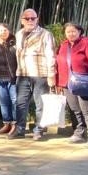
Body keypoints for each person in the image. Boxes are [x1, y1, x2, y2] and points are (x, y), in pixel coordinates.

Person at [12, 9, 56, 141]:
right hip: (23, 73)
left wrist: (51, 74)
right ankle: (20, 129)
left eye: (33, 18)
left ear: (37, 19)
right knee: (20, 103)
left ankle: (39, 130)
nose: (30, 20)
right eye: (27, 18)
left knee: (40, 104)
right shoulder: (19, 34)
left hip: (40, 73)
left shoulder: (45, 34)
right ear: (22, 21)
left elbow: (51, 55)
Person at [56, 23, 88, 148]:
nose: (71, 34)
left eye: (73, 31)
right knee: (74, 109)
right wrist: (58, 82)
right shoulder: (63, 45)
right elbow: (58, 64)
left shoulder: (86, 43)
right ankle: (79, 132)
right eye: (68, 31)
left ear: (80, 31)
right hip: (66, 82)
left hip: (83, 82)